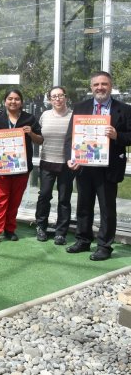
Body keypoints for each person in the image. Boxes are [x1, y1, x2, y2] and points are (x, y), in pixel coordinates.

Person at [65, 71, 131, 261]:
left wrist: (117, 135)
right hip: (84, 166)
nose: (100, 88)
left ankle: (104, 246)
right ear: (91, 87)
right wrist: (70, 158)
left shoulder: (124, 109)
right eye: (96, 84)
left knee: (107, 209)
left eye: (104, 84)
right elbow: (70, 136)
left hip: (109, 167)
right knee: (83, 205)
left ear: (110, 86)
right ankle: (83, 240)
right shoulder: (81, 107)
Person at [0, 89, 43, 244]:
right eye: (10, 99)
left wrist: (31, 133)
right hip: (1, 168)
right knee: (0, 200)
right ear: (5, 101)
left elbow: (40, 140)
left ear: (21, 102)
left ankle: (9, 229)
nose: (13, 101)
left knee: (15, 200)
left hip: (21, 168)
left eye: (17, 99)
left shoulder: (29, 119)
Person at [34, 86, 74, 245]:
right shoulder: (45, 115)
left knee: (64, 198)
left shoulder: (73, 116)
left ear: (66, 97)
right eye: (54, 96)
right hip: (47, 161)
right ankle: (41, 227)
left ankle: (61, 232)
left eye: (60, 95)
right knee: (44, 195)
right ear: (50, 100)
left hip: (66, 164)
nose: (57, 99)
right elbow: (39, 137)